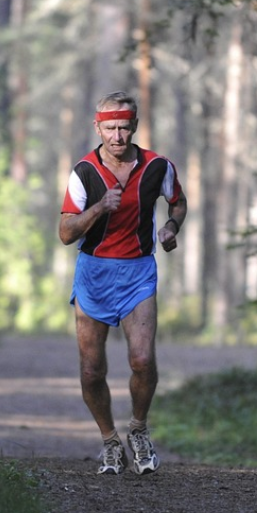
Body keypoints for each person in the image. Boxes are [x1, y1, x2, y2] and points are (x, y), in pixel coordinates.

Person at [59, 91, 187, 475]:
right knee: (91, 371)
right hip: (94, 273)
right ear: (97, 127)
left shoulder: (157, 166)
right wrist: (99, 208)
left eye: (124, 128)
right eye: (110, 128)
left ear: (134, 127)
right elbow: (65, 233)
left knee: (142, 360)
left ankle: (139, 429)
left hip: (137, 272)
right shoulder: (83, 172)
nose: (117, 136)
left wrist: (169, 226)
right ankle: (110, 441)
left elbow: (177, 202)